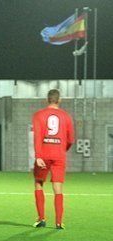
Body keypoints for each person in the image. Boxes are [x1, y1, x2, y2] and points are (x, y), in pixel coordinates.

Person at [32, 89, 75, 229]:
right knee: (58, 188)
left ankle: (41, 219)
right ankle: (58, 222)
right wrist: (62, 149)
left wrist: (38, 156)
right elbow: (71, 139)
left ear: (47, 100)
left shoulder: (39, 115)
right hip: (59, 155)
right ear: (59, 100)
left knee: (39, 183)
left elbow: (37, 136)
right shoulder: (66, 116)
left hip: (43, 154)